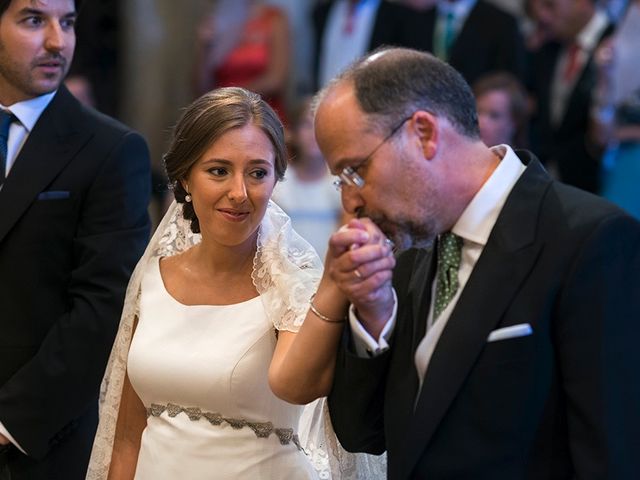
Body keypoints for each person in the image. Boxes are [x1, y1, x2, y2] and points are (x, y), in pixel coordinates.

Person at [312, 47, 640, 479]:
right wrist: (373, 320)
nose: (350, 201)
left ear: (424, 133)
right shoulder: (411, 248)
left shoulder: (590, 239)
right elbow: (362, 434)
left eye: (355, 171)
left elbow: (610, 456)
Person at [86, 87, 388, 480]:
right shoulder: (151, 277)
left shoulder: (292, 285)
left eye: (258, 173)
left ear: (277, 177)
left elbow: (297, 385)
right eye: (218, 171)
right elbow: (126, 437)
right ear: (185, 178)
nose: (239, 193)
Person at [0, 0, 151, 478]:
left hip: (39, 441)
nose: (56, 41)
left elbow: (104, 307)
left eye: (67, 23)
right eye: (33, 20)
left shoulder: (110, 149)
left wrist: (9, 422)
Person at [528, 0, 613, 193]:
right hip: (547, 185)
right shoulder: (548, 48)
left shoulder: (618, 45)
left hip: (602, 189)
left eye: (550, 5)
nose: (542, 16)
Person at [193, 0, 290, 123]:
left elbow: (275, 80)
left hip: (261, 114)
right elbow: (200, 87)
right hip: (222, 115)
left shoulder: (274, 19)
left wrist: (228, 98)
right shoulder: (219, 20)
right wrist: (204, 48)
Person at [272, 96, 343, 259]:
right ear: (293, 133)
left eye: (320, 126)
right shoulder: (278, 182)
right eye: (306, 125)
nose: (313, 133)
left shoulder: (340, 182)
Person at [592, 0, 640, 219]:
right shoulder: (618, 46)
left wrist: (621, 133)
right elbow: (600, 135)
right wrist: (605, 80)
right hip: (621, 167)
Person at [473, 71, 530, 148]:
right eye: (478, 112)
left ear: (515, 122)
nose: (481, 122)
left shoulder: (523, 160)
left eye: (494, 115)